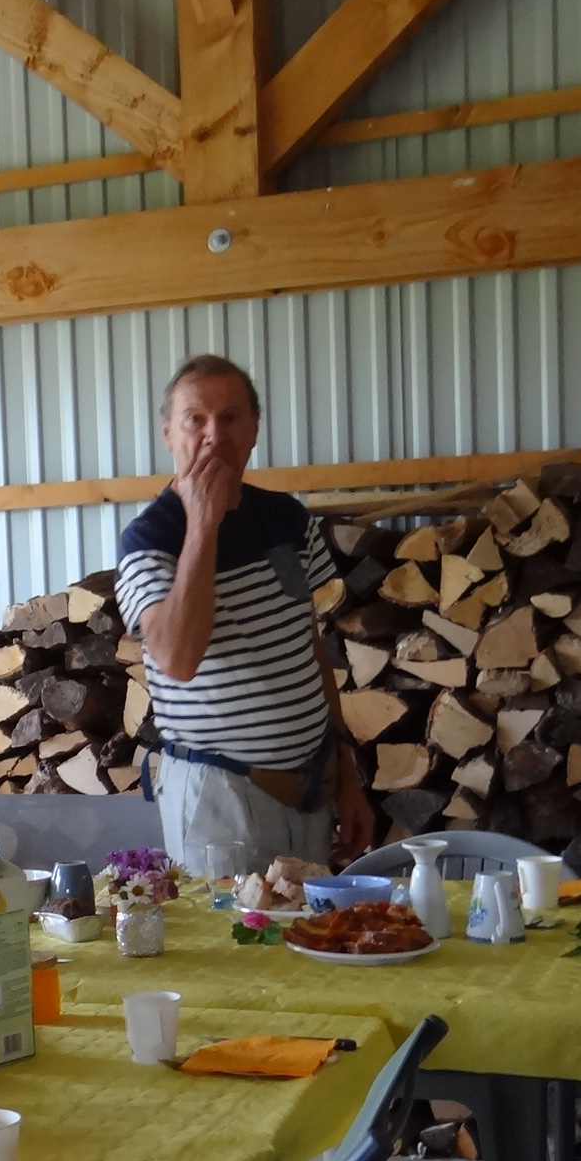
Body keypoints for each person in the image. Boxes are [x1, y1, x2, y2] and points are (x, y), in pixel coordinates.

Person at [117, 355, 373, 875]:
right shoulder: (149, 539)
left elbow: (308, 648)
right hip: (219, 800)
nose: (214, 435)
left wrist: (346, 771)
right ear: (169, 434)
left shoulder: (287, 519)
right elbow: (177, 658)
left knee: (307, 946)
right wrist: (203, 526)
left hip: (311, 791)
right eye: (196, 419)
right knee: (230, 953)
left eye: (231, 418)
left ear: (254, 429)